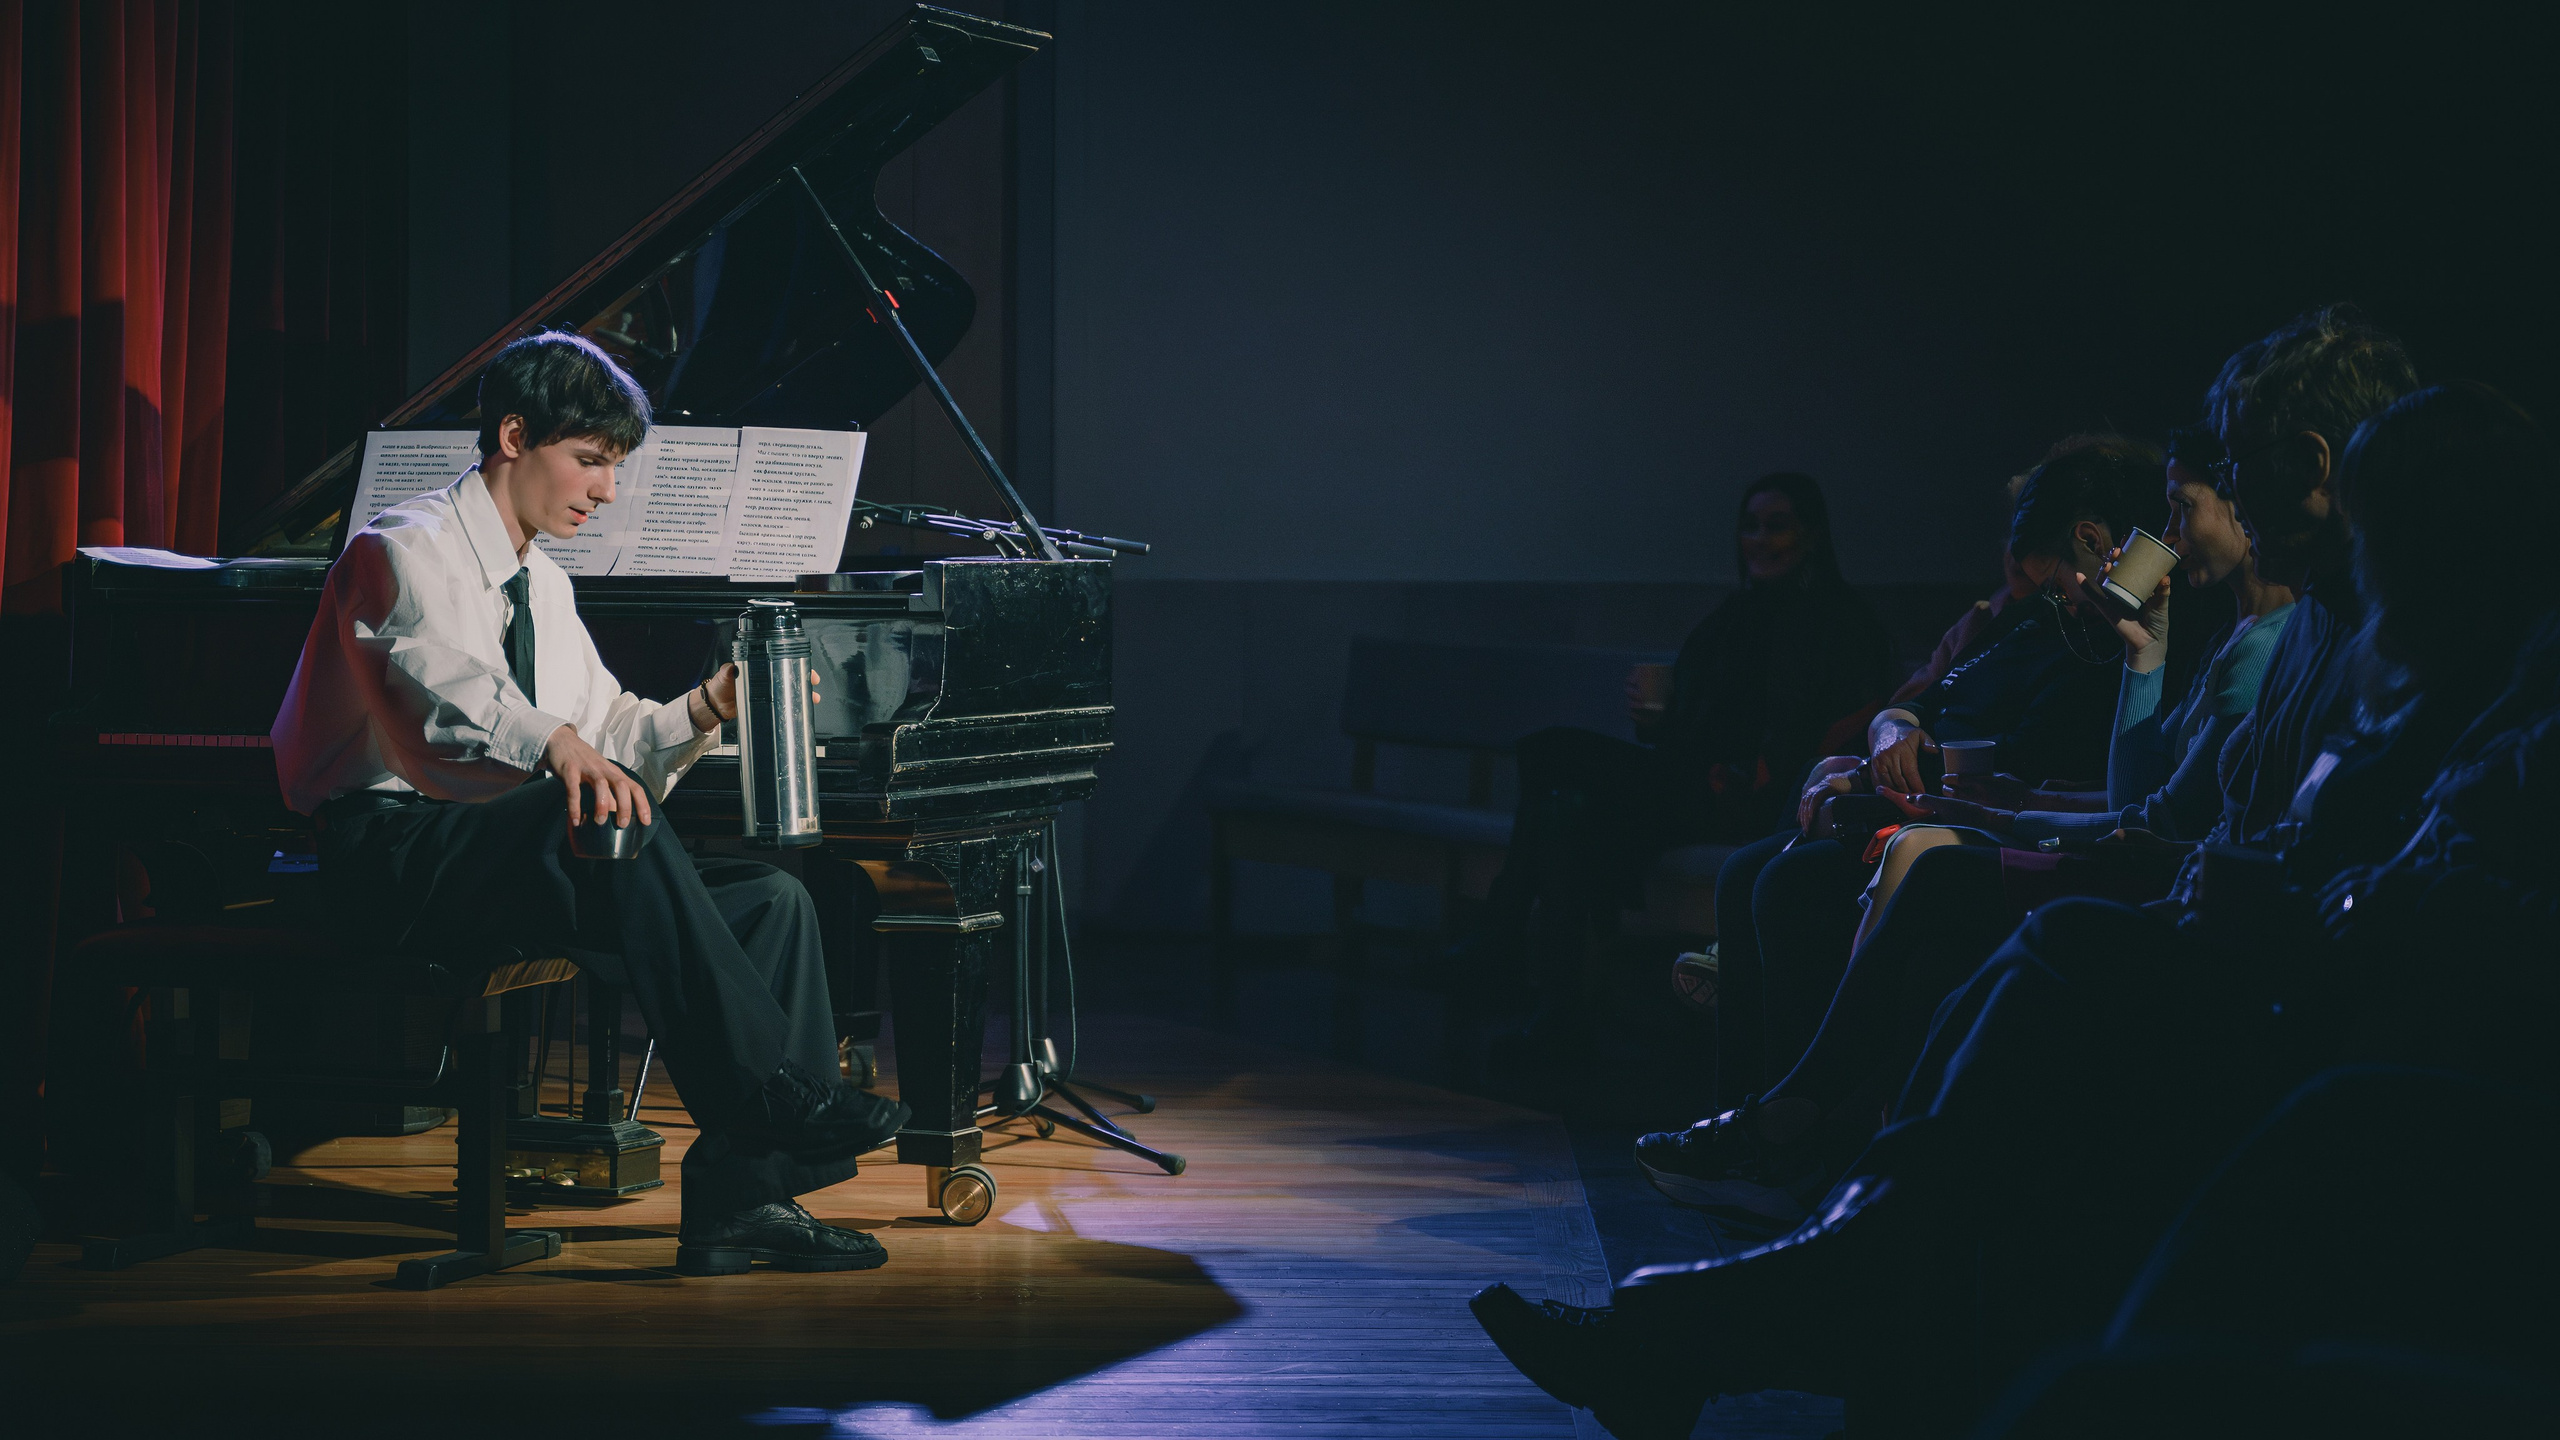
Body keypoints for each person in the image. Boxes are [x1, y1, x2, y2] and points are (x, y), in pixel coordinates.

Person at [1470, 376, 2559, 1440]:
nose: (2169, 532)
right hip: (2237, 935)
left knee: (2006, 919)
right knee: (1878, 885)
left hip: (2294, 989)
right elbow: (2103, 774)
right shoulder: (2314, 648)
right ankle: (1792, 1227)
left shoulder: (2374, 662)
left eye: (2190, 502)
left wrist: (2149, 716)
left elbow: (2270, 844)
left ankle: (1789, 1230)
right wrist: (1921, 753)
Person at [1664, 310, 2413, 1225]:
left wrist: (2024, 783)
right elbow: (2153, 798)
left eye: (2216, 485)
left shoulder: (2315, 633)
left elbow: (2185, 822)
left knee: (1920, 885)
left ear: (2313, 464)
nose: (2176, 530)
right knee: (1867, 874)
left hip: (2215, 911)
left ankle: (1816, 1160)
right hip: (2175, 876)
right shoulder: (2275, 631)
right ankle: (1804, 1153)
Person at [270, 332, 907, 1277]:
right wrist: (558, 744)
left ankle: (745, 1198)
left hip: (506, 849)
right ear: (514, 436)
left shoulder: (547, 585)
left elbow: (608, 727)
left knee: (774, 901)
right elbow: (438, 713)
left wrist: (704, 710)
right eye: (592, 461)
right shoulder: (397, 551)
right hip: (388, 851)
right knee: (606, 819)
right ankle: (771, 1088)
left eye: (614, 468)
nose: (607, 491)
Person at [1712, 435, 2154, 1103]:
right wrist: (1893, 733)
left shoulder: (2117, 641)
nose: (2049, 601)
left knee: (1789, 881)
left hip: (2008, 820)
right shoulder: (2043, 623)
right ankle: (1745, 1115)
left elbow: (2069, 770)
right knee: (1748, 868)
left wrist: (1877, 774)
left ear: (2093, 541)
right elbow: (1928, 700)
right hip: (1957, 797)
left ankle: (1790, 1130)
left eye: (2052, 586)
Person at [1469, 473, 1893, 1042]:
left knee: (1555, 755)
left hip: (1752, 800)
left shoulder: (1836, 621)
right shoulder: (1734, 616)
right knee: (1560, 806)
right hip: (1689, 785)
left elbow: (1813, 732)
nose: (1760, 541)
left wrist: (1745, 775)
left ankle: (1500, 944)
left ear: (1811, 535)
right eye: (1750, 527)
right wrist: (1658, 718)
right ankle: (1558, 1014)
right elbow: (1694, 725)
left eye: (1777, 527)